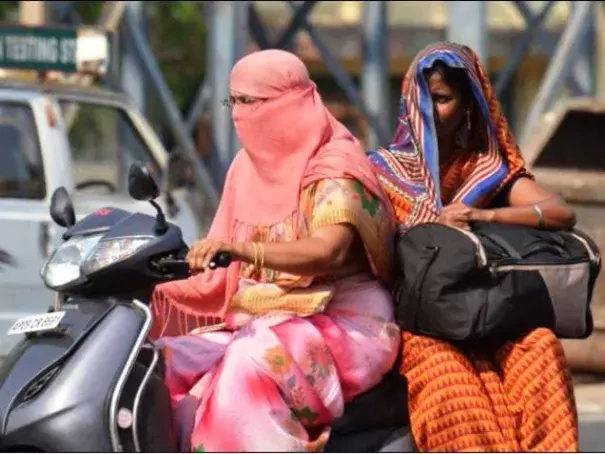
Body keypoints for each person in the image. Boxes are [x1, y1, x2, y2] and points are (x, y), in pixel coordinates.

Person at [150, 49, 400, 452]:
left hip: (344, 320)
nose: (237, 114)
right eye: (233, 101)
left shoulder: (335, 165)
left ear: (290, 102)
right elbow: (219, 265)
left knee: (246, 366)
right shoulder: (245, 167)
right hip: (264, 316)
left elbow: (328, 251)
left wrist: (245, 250)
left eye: (250, 102)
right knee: (160, 362)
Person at [368, 42, 579, 452]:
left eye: (443, 98)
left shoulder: (483, 168)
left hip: (485, 313)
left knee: (540, 349)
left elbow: (560, 213)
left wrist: (484, 216)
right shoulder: (380, 170)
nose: (430, 109)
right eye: (422, 97)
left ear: (469, 106)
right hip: (418, 321)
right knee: (450, 383)